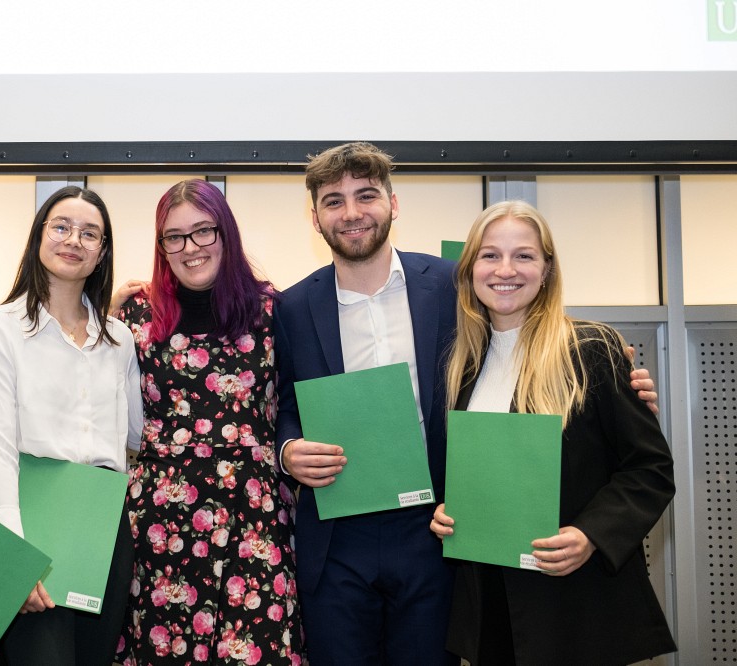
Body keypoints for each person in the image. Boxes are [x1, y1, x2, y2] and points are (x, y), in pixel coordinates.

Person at [273, 142, 660, 666]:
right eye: (334, 201)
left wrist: (623, 377)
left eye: (366, 195)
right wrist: (289, 448)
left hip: (438, 535)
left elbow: (535, 330)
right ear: (314, 215)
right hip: (340, 536)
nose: (353, 212)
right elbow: (280, 401)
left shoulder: (451, 284)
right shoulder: (290, 306)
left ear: (393, 202)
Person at [429, 200, 676, 665]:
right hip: (492, 611)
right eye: (489, 255)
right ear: (469, 271)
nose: (506, 269)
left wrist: (590, 535)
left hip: (576, 608)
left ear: (547, 270)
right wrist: (450, 509)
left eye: (523, 255)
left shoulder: (591, 349)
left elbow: (650, 469)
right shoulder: (462, 366)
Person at [115, 179, 305, 665]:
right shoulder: (137, 314)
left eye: (203, 231)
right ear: (161, 246)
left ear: (227, 232)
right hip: (163, 519)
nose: (190, 247)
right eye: (173, 237)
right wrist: (105, 310)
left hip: (254, 515)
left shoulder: (270, 311)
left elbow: (292, 406)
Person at [0, 186, 143, 665]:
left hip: (105, 523)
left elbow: (135, 437)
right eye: (62, 227)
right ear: (39, 236)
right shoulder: (1, 327)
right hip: (34, 520)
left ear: (102, 251)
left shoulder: (119, 339)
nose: (75, 240)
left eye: (91, 234)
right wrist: (13, 559)